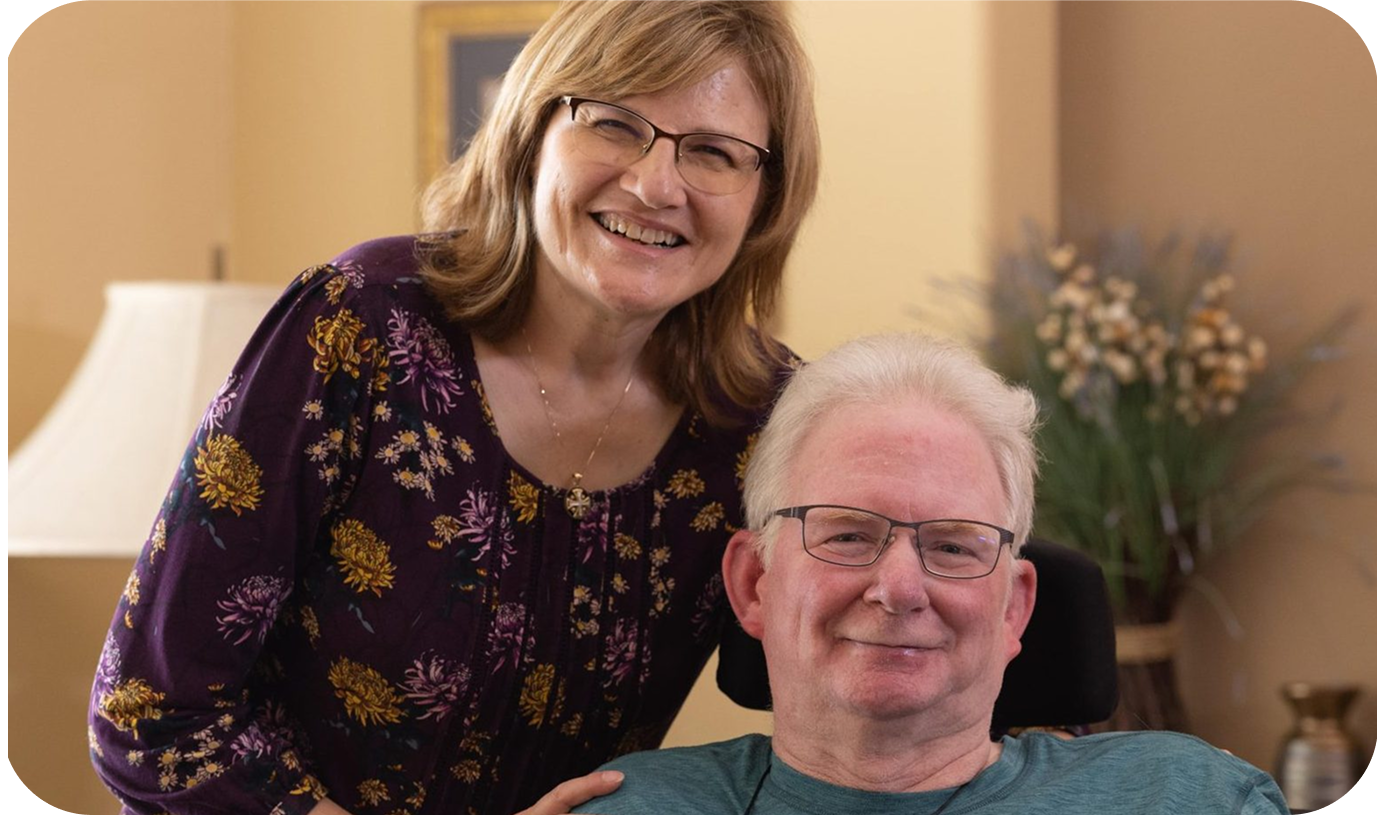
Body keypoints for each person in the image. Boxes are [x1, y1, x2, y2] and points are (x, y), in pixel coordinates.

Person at [86, 1, 819, 813]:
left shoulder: (761, 420)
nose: (652, 185)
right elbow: (153, 712)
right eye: (612, 124)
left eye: (714, 151)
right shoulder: (360, 323)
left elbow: (830, 684)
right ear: (530, 133)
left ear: (766, 200)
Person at [572, 334, 1290, 814]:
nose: (900, 588)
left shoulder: (1189, 797)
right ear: (754, 581)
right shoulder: (630, 805)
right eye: (847, 533)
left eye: (952, 546)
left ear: (1013, 605)